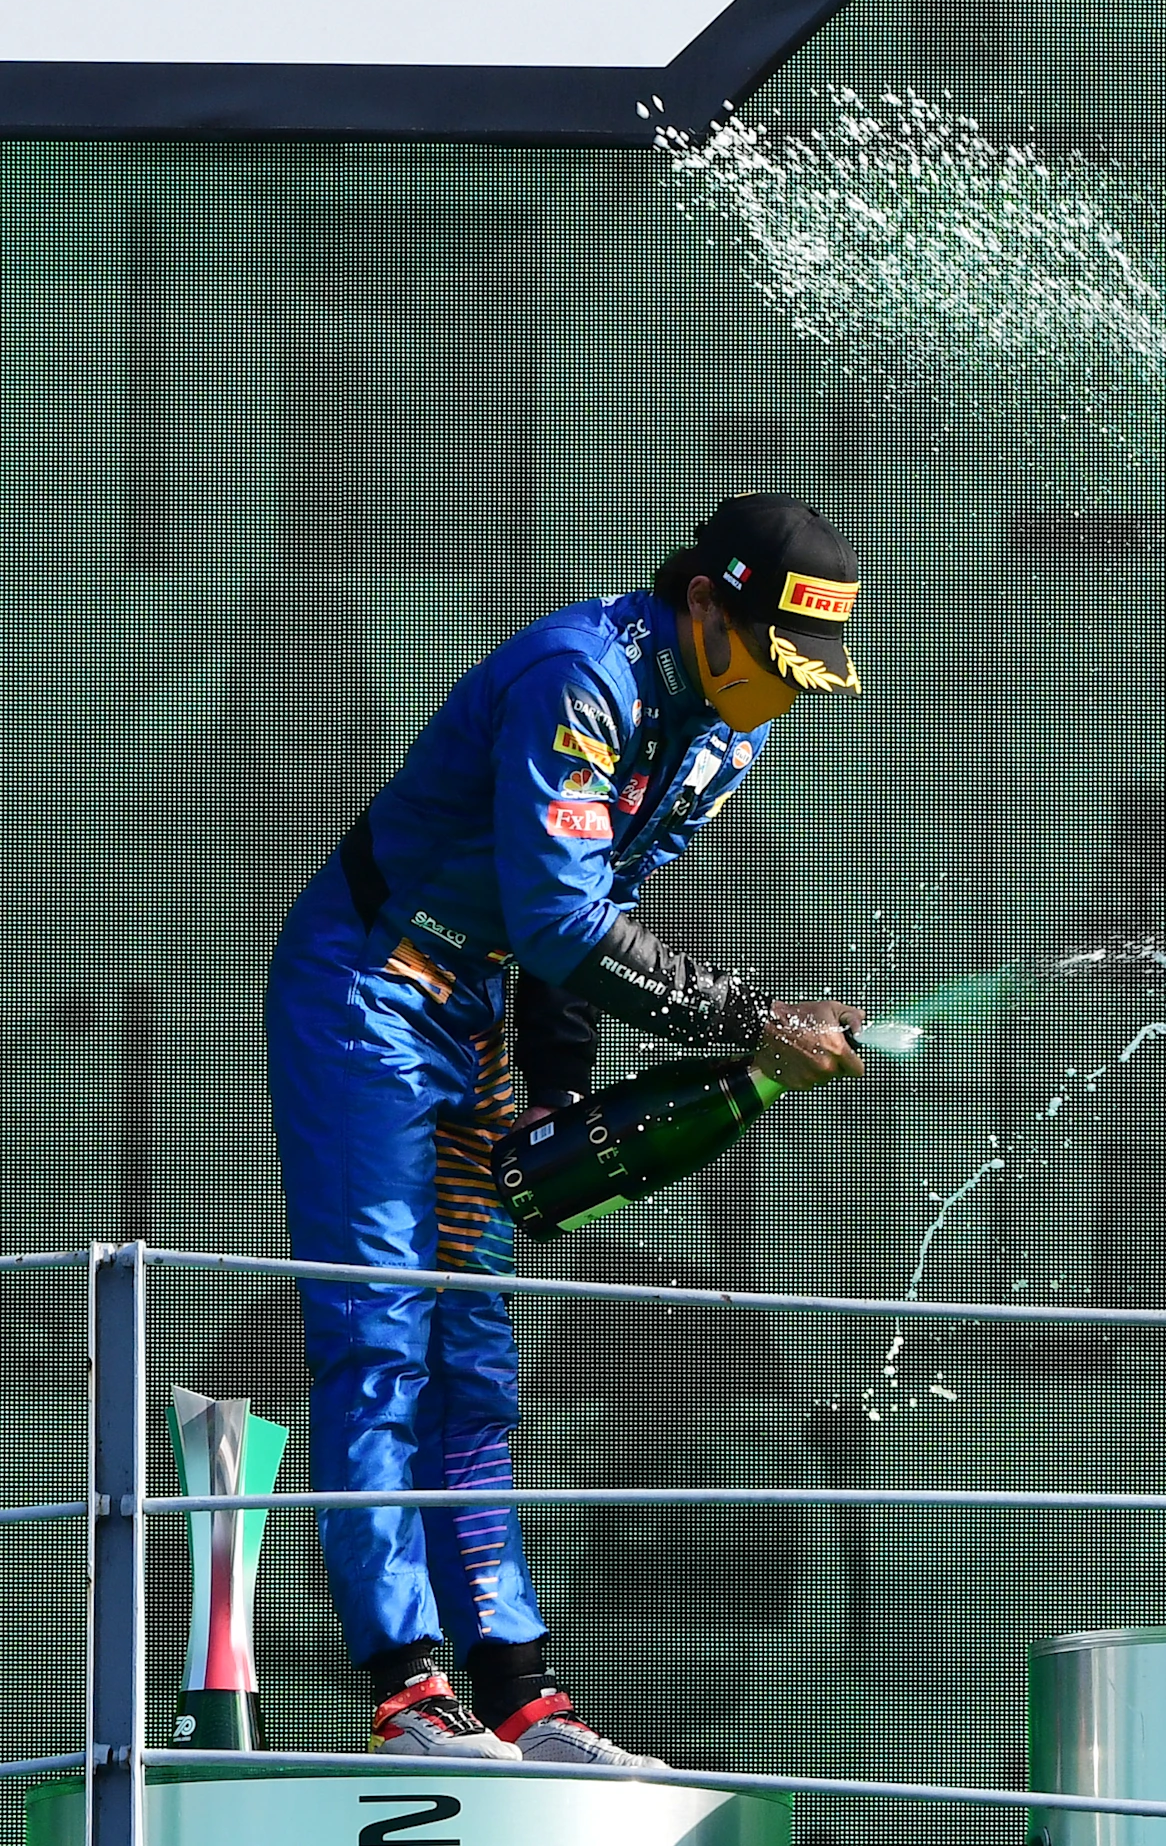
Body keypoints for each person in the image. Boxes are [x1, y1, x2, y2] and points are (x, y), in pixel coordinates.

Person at [267, 493, 875, 1762]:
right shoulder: (576, 679)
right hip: (368, 992)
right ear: (706, 604)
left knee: (478, 1366)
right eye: (773, 660)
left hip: (476, 1020)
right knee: (382, 1335)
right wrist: (751, 1019)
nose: (785, 693)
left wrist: (552, 1081)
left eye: (805, 675)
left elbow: (602, 903)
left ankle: (517, 1691)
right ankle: (402, 1688)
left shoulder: (724, 732)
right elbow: (559, 920)